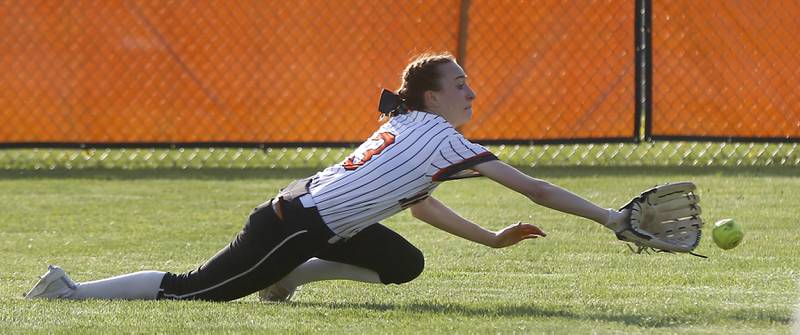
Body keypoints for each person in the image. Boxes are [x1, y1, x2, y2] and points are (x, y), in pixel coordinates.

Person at [25, 52, 629, 302]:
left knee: (404, 266)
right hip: (295, 222)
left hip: (314, 217)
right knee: (197, 291)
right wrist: (610, 218)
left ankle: (293, 274)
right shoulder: (442, 138)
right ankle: (70, 291)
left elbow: (421, 208)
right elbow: (537, 189)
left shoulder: (420, 132)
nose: (471, 90)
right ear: (430, 96)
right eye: (459, 84)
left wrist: (493, 240)